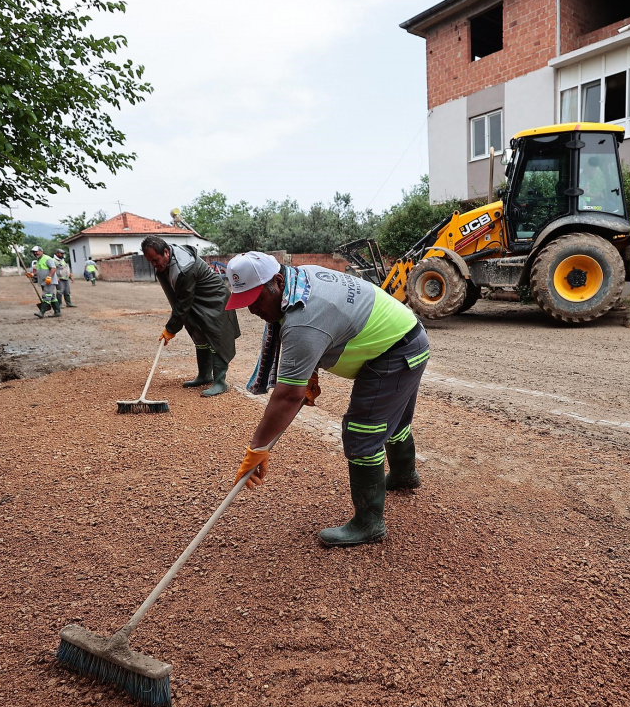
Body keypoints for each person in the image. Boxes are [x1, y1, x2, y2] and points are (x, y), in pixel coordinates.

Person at [225, 252, 429, 548]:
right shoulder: (299, 279)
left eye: (256, 299)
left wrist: (257, 448)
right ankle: (404, 474)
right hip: (407, 336)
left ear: (278, 281)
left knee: (363, 433)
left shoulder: (303, 321)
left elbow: (287, 396)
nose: (252, 309)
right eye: (245, 301)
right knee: (392, 420)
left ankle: (369, 523)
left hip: (396, 352)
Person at [141, 235, 240, 397]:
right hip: (197, 299)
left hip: (215, 299)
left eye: (155, 260)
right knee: (198, 333)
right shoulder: (167, 260)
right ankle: (204, 375)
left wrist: (170, 328)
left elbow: (182, 303)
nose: (154, 264)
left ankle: (220, 382)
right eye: (150, 261)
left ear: (166, 252)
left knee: (217, 336)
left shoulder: (184, 267)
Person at [27, 245, 60, 317]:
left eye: (36, 252)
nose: (35, 253)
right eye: (34, 252)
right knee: (52, 297)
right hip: (43, 282)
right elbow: (40, 271)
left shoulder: (47, 258)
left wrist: (49, 277)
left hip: (49, 281)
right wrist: (32, 274)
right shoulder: (39, 260)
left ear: (41, 251)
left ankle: (41, 312)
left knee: (46, 295)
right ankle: (57, 312)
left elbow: (53, 268)